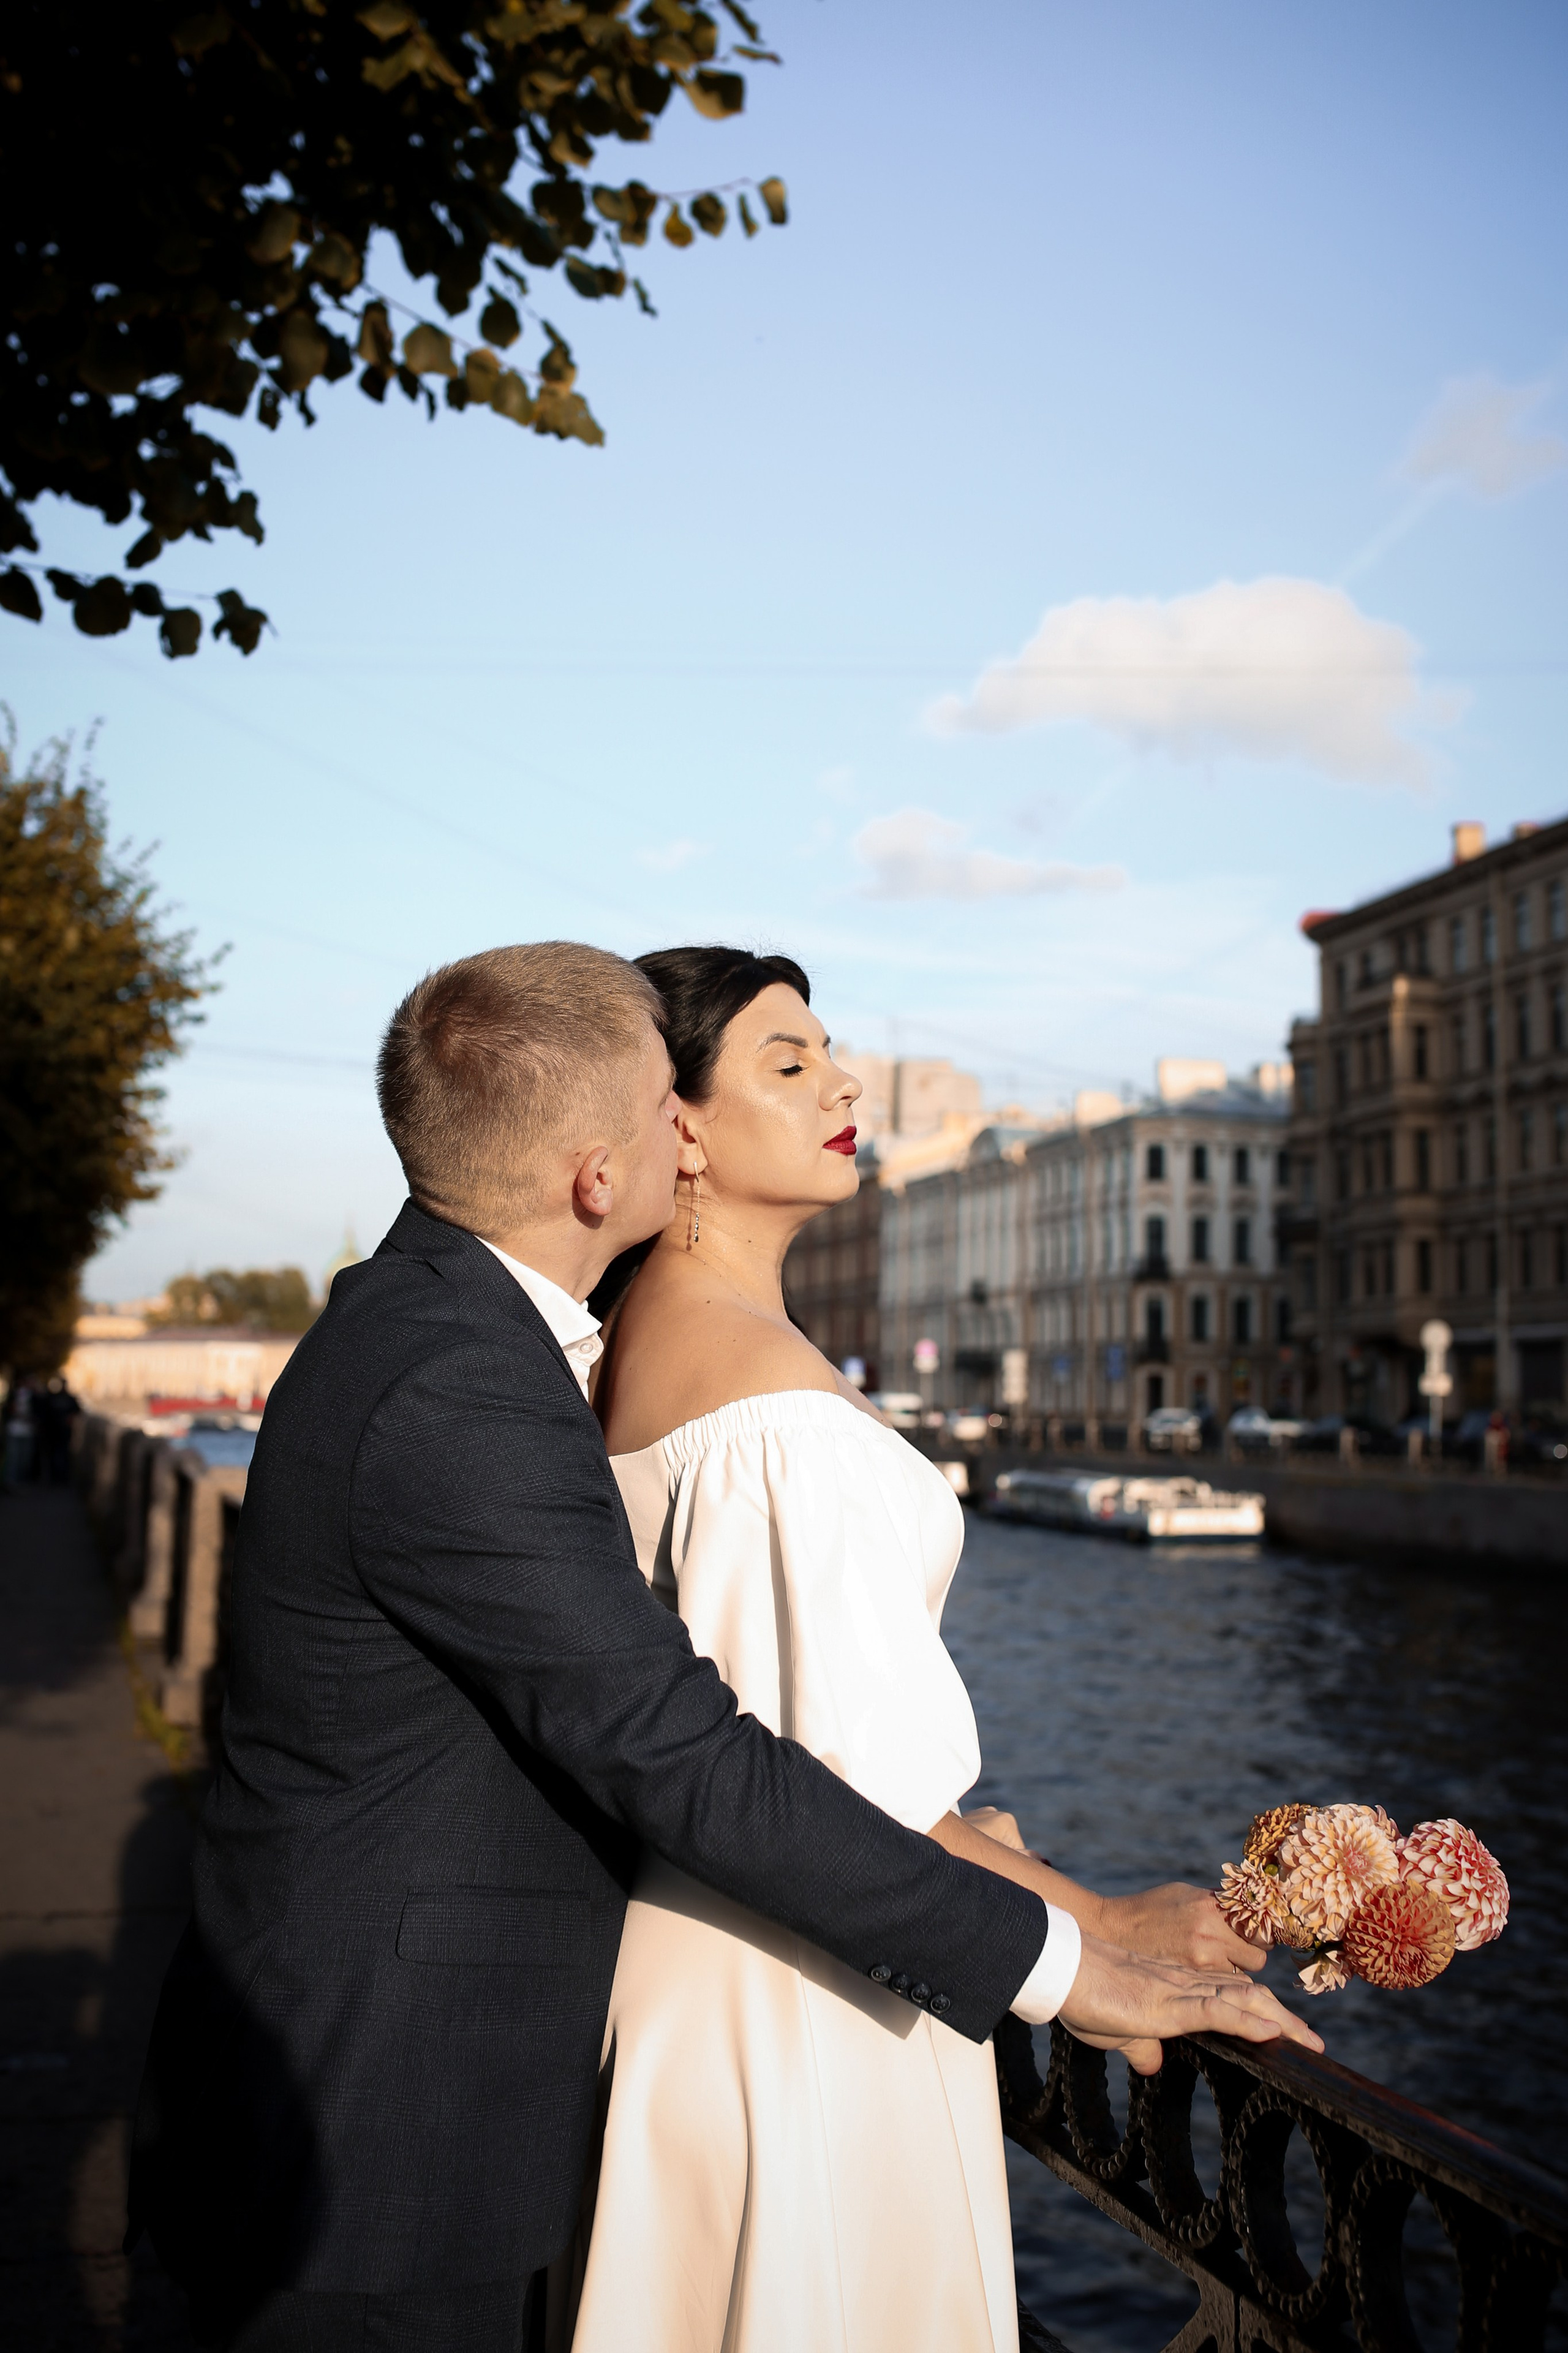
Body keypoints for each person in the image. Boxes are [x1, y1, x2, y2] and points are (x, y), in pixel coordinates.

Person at [129, 942, 1319, 2353]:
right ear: (599, 1172)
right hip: (380, 2143)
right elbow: (679, 1751)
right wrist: (1070, 1957)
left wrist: (964, 1848)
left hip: (413, 2094)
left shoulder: (450, 1334)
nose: (679, 1133)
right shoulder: (471, 1382)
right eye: (662, 1109)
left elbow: (724, 1725)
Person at [570, 948, 1285, 2352]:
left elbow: (769, 1739)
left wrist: (969, 1836)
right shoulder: (772, 1412)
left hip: (690, 1978)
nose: (842, 1082)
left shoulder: (648, 1349)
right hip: (812, 2004)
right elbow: (837, 1795)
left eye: (829, 1052)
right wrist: (1091, 1923)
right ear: (682, 1129)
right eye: (787, 1063)